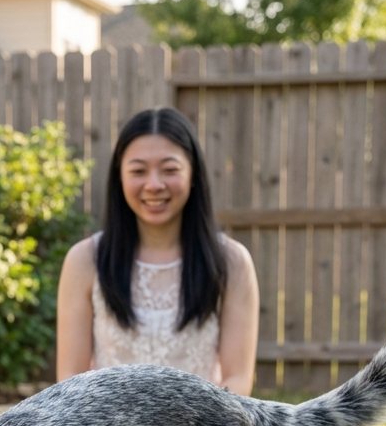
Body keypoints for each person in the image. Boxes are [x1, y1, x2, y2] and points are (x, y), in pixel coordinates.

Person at [56, 107, 259, 394]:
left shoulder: (231, 262)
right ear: (119, 178)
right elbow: (69, 381)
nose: (154, 185)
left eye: (170, 170)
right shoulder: (85, 260)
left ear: (192, 174)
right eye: (138, 171)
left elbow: (238, 379)